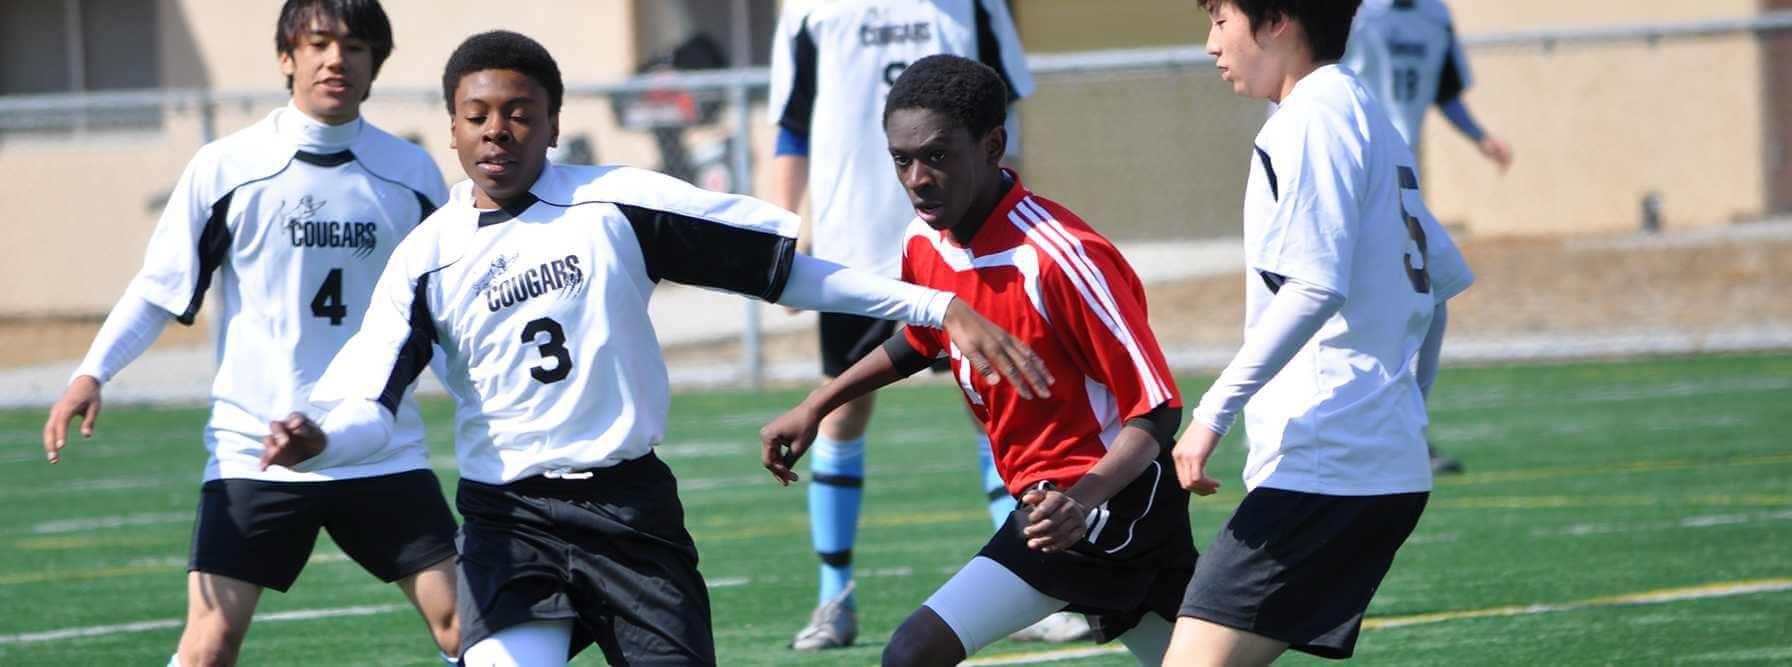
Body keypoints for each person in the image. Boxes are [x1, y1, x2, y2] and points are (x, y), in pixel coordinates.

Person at [256, 30, 1050, 667]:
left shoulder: (618, 205)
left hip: (630, 513)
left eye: (521, 111)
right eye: (477, 113)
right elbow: (367, 403)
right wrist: (319, 439)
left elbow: (795, 277)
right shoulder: (425, 258)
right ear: (453, 127)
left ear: (555, 123)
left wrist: (937, 303)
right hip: (510, 523)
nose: (498, 129)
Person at [39, 2, 460, 665]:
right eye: (318, 43)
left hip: (375, 443)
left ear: (375, 63)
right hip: (253, 447)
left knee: (464, 626)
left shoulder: (412, 174)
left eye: (354, 46)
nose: (335, 60)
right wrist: (92, 372)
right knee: (209, 644)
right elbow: (160, 286)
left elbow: (447, 307)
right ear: (286, 56)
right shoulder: (226, 167)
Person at [760, 54, 1199, 667]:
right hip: (1060, 506)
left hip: (1103, 504)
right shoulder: (923, 240)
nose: (916, 177)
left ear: (993, 145)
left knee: (913, 652)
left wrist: (1082, 498)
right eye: (901, 159)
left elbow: (1156, 410)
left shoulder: (1062, 257)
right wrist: (818, 403)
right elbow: (921, 341)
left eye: (937, 156)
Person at [1163, 0, 1474, 663]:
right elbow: (1438, 286)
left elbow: (1314, 285)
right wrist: (1409, 405)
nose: (1211, 43)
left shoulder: (1309, 118)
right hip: (1376, 462)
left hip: (1326, 464)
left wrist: (1211, 413)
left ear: (1277, 20)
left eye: (1221, 20)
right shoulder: (1367, 115)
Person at [766, 0, 1072, 648]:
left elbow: (1005, 115)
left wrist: (1021, 229)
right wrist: (782, 238)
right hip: (856, 247)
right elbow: (792, 128)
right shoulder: (809, 10)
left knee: (997, 399)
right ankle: (834, 598)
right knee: (845, 408)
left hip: (965, 241)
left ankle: (1036, 583)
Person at [1345, 0, 1504, 474]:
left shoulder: (1433, 16)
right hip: (1356, 170)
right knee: (1343, 300)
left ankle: (1405, 428)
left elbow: (1443, 90)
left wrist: (1480, 136)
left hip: (1400, 173)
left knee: (1429, 291)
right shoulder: (1357, 13)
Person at [1344, 0, 1510, 170]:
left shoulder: (1437, 18)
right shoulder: (1359, 13)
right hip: (1357, 150)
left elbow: (1445, 93)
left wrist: (1480, 137)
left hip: (1406, 153)